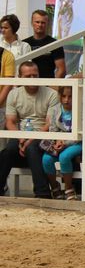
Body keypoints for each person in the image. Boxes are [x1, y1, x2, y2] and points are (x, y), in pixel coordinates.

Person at [0, 62, 59, 199]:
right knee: (8, 151)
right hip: (21, 134)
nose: (32, 78)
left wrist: (29, 141)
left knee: (32, 147)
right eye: (28, 75)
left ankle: (42, 193)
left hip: (44, 135)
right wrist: (21, 139)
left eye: (35, 75)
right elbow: (10, 121)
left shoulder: (51, 94)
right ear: (20, 77)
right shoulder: (14, 94)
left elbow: (49, 124)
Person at [42, 86, 81, 200]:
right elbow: (53, 129)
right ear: (59, 96)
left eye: (70, 96)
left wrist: (65, 143)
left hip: (77, 142)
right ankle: (55, 187)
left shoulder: (81, 109)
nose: (66, 100)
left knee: (64, 156)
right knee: (46, 159)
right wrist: (57, 140)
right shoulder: (55, 109)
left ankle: (68, 188)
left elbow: (81, 134)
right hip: (59, 141)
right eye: (64, 96)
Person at [23, 10, 66, 79]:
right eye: (37, 22)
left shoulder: (55, 44)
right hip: (26, 85)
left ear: (47, 24)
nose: (40, 25)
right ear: (32, 23)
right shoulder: (24, 44)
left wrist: (54, 86)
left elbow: (61, 69)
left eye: (43, 23)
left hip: (47, 86)